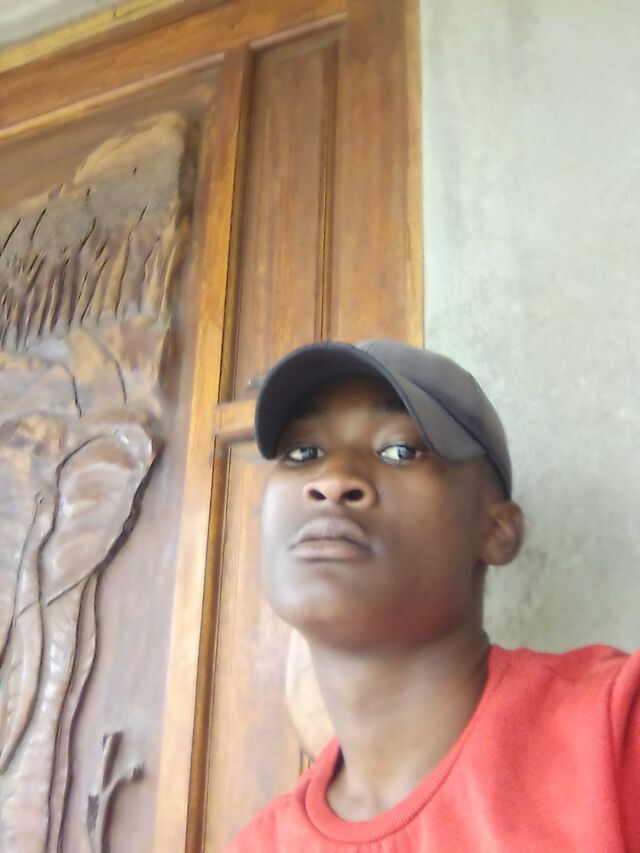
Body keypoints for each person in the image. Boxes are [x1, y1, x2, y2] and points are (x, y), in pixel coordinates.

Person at [228, 339, 639, 852]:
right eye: (302, 453)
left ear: (497, 531)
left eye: (401, 450)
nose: (331, 480)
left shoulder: (616, 738)